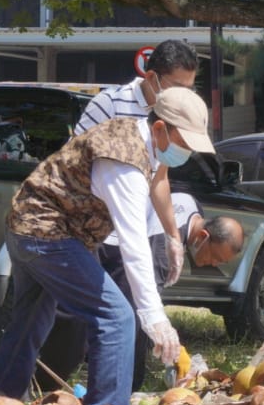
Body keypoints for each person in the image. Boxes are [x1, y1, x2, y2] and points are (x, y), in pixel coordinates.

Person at [0, 87, 214, 405]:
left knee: (34, 314)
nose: (186, 152)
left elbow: (156, 184)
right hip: (47, 234)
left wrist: (173, 236)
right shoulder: (124, 163)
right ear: (160, 128)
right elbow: (134, 245)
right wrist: (155, 318)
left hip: (27, 227)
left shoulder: (139, 139)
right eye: (184, 143)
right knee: (116, 317)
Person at [74, 39, 200, 288]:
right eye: (176, 88)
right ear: (152, 77)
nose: (181, 97)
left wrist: (173, 236)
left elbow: (160, 178)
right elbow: (75, 165)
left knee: (132, 316)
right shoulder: (109, 104)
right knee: (93, 318)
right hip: (95, 234)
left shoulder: (171, 115)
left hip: (138, 237)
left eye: (189, 90)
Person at [99, 193, 244, 389]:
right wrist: (171, 349)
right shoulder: (162, 251)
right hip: (107, 247)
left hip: (122, 235)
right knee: (128, 321)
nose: (214, 264)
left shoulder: (192, 205)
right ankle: (121, 386)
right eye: (215, 257)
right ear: (203, 236)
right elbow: (145, 308)